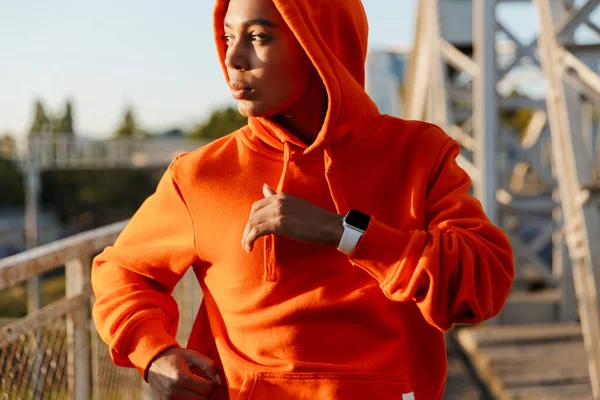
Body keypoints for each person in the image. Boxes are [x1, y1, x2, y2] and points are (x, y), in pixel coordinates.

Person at [91, 0, 515, 398]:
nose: (232, 58)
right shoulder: (202, 174)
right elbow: (121, 273)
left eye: (257, 37)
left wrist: (342, 231)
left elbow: (481, 285)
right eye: (227, 37)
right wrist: (154, 353)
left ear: (319, 43)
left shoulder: (419, 153)